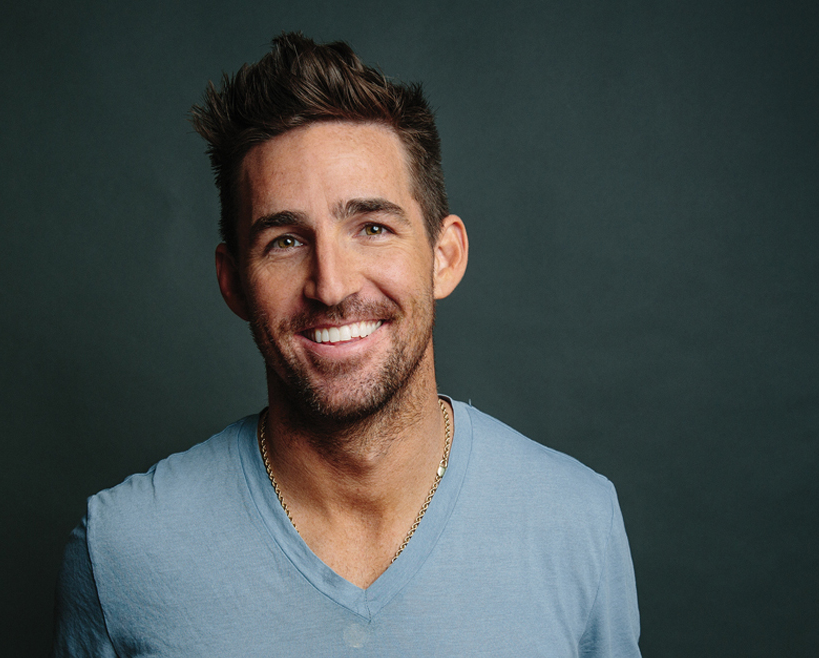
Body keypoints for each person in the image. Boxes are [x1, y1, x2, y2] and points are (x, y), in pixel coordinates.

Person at [52, 33, 641, 657]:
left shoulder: (576, 520)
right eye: (284, 240)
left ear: (444, 256)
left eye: (373, 228)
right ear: (233, 284)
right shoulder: (121, 551)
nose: (331, 286)